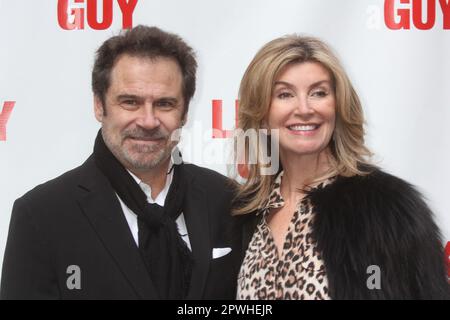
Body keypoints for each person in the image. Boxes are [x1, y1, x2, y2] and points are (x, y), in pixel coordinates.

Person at [1, 25, 239, 300]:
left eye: (164, 104)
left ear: (185, 113)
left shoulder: (225, 200)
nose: (148, 121)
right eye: (130, 102)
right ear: (99, 106)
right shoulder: (41, 215)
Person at [233, 35, 450, 299]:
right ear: (261, 114)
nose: (304, 108)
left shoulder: (384, 211)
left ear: (338, 105)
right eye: (285, 94)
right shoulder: (246, 215)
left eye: (319, 92)